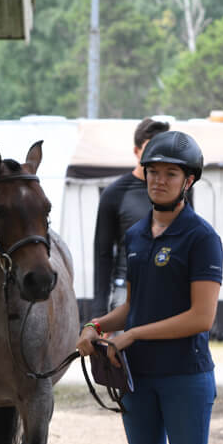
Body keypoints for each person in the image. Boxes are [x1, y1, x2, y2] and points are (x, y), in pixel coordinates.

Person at [76, 130, 223, 444]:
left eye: (170, 174)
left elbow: (202, 317)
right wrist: (95, 324)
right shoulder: (138, 235)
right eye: (153, 172)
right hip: (138, 380)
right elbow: (134, 306)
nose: (158, 180)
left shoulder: (202, 238)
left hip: (185, 379)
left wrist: (136, 334)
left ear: (188, 181)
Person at [92, 117, 171, 316]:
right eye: (149, 148)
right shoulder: (115, 194)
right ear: (136, 151)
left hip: (168, 291)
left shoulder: (177, 193)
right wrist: (100, 308)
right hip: (126, 293)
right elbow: (103, 254)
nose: (156, 156)